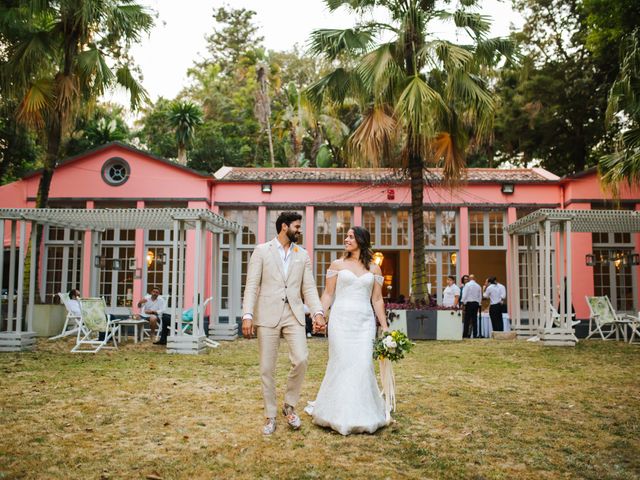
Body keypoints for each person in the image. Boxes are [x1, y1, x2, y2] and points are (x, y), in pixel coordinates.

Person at [241, 211, 324, 436]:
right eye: (297, 226)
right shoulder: (261, 251)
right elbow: (251, 285)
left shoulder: (302, 255)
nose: (300, 230)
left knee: (301, 359)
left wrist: (317, 312)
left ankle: (289, 405)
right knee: (267, 368)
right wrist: (248, 314)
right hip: (267, 315)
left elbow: (308, 288)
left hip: (294, 315)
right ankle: (270, 414)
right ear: (284, 226)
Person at [305, 226, 391, 436]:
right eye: (347, 236)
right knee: (341, 362)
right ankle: (337, 412)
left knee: (362, 364)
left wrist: (385, 327)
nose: (346, 239)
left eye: (351, 237)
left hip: (364, 322)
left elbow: (377, 299)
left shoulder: (374, 269)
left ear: (361, 240)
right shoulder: (337, 264)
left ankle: (363, 412)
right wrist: (319, 314)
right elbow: (327, 294)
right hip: (341, 320)